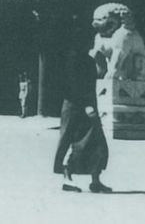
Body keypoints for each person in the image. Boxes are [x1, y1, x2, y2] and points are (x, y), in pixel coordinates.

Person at [52, 37, 112, 194]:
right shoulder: (71, 61)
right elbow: (72, 85)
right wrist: (86, 105)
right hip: (74, 106)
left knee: (98, 142)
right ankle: (67, 176)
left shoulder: (89, 61)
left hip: (89, 105)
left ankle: (95, 179)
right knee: (70, 141)